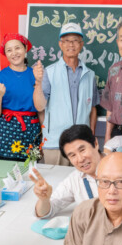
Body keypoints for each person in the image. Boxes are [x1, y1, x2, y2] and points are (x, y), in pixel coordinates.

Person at [30, 124, 122, 219]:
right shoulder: (75, 179)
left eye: (82, 150)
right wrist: (44, 200)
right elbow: (45, 212)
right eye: (72, 155)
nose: (80, 159)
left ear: (95, 143)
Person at [33, 23, 100, 166]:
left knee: (82, 179)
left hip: (82, 144)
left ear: (81, 44)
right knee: (56, 179)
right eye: (66, 40)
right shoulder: (49, 72)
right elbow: (39, 106)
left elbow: (93, 108)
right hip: (55, 143)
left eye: (75, 40)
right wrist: (38, 82)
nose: (71, 44)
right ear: (60, 44)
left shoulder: (89, 74)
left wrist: (91, 135)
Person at [0, 33, 42, 161]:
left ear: (25, 48)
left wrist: (44, 132)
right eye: (9, 50)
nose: (14, 53)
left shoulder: (35, 74)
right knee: (6, 168)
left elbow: (41, 109)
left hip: (31, 129)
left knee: (30, 167)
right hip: (6, 131)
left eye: (17, 48)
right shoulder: (0, 77)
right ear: (5, 54)